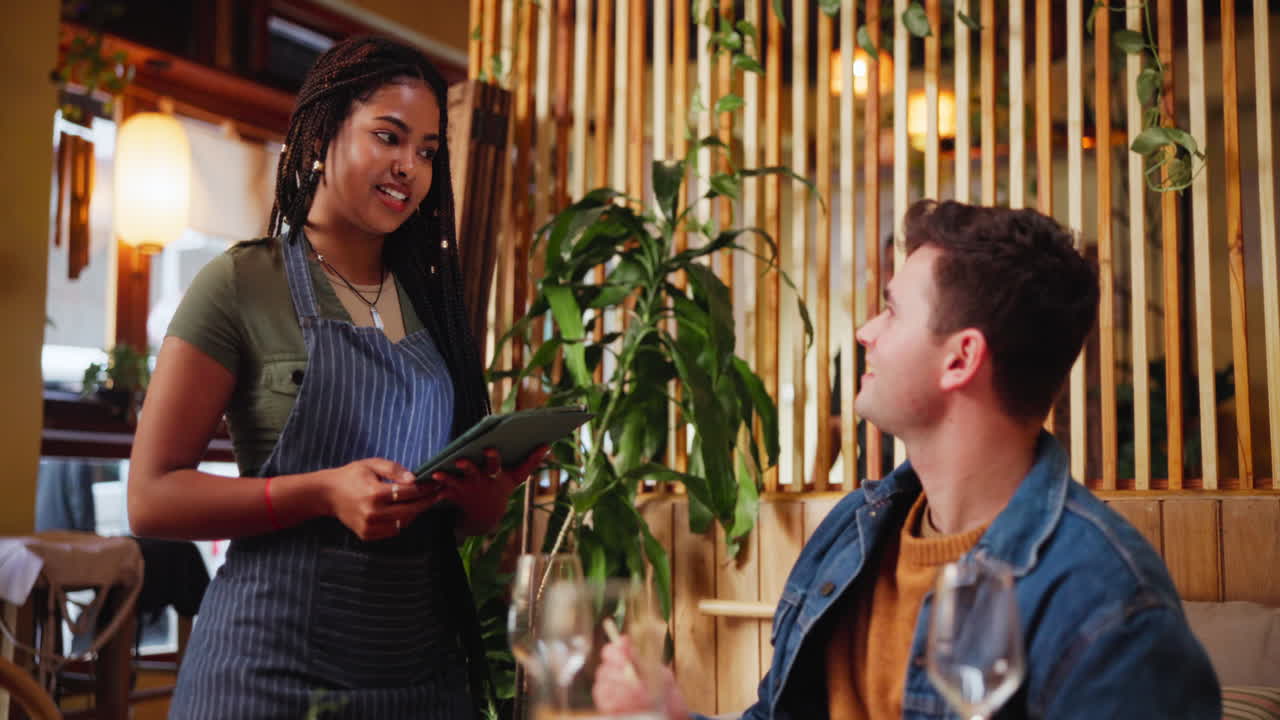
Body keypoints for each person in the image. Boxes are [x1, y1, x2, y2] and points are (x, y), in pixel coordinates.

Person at [593, 200, 1221, 719]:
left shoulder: (1108, 604)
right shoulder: (854, 532)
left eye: (891, 309)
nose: (866, 331)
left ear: (960, 359)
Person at [128, 36, 546, 719]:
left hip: (419, 683)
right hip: (267, 677)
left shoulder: (433, 306)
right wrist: (323, 493)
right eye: (389, 137)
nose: (409, 167)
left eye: (428, 152)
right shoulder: (241, 284)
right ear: (324, 133)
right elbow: (150, 498)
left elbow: (467, 523)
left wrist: (482, 498)